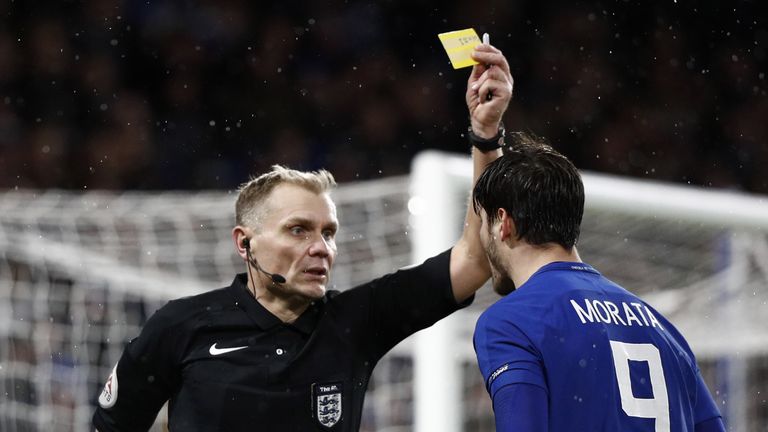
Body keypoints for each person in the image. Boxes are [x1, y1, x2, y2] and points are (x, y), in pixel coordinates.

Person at [92, 42, 512, 431]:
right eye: (298, 230)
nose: (321, 248)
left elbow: (476, 258)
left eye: (328, 233)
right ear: (245, 243)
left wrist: (486, 135)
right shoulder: (181, 326)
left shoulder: (356, 320)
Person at [471, 133, 726, 432]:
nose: (480, 236)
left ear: (503, 223)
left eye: (482, 222)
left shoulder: (511, 322)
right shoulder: (663, 330)